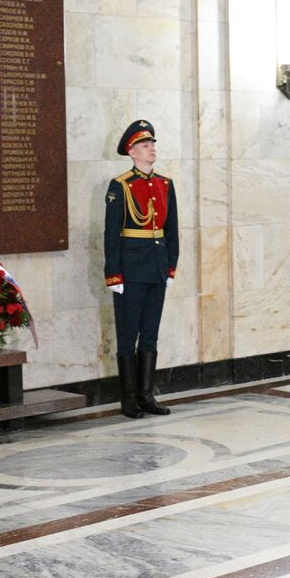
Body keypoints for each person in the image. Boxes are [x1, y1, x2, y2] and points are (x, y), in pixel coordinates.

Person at [104, 120, 179, 418]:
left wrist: (171, 267)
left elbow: (171, 229)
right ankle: (129, 399)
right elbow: (111, 233)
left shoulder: (165, 184)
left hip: (157, 268)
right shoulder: (120, 185)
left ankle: (147, 396)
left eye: (153, 145)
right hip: (131, 270)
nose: (152, 149)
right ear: (133, 152)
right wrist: (113, 274)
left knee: (150, 334)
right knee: (127, 335)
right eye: (146, 146)